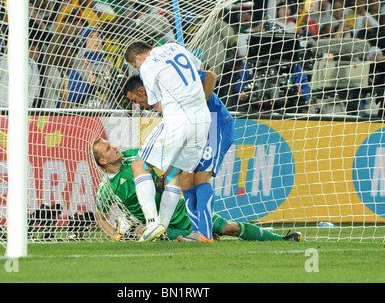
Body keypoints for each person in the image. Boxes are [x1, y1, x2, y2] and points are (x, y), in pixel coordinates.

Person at [92, 139, 303, 243]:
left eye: (111, 145)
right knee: (193, 240)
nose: (115, 148)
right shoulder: (106, 188)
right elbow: (100, 216)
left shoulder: (133, 155)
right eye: (109, 149)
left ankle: (281, 239)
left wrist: (163, 180)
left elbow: (166, 162)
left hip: (181, 209)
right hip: (162, 227)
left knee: (228, 228)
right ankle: (194, 235)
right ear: (103, 161)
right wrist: (115, 236)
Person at [122, 70, 230, 242]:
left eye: (136, 100)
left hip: (215, 123)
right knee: (186, 177)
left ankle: (205, 234)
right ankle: (195, 232)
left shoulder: (168, 80)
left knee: (201, 177)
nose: (139, 105)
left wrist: (200, 106)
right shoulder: (161, 98)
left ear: (142, 90)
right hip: (197, 129)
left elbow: (209, 75)